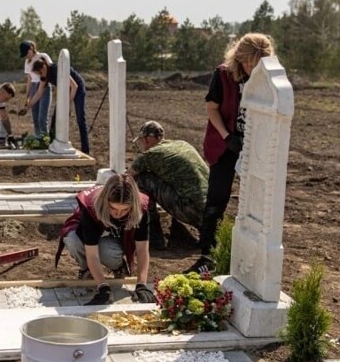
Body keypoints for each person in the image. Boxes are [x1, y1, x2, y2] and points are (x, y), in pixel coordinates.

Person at [187, 33, 275, 273]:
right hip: (225, 143)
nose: (250, 68)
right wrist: (228, 137)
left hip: (255, 146)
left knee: (256, 200)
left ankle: (248, 255)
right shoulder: (223, 75)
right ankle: (207, 253)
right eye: (246, 62)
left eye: (255, 64)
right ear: (238, 58)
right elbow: (212, 109)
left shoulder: (269, 79)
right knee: (217, 200)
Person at [55, 174, 157, 306]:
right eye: (113, 208)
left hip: (112, 237)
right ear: (105, 201)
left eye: (125, 209)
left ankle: (118, 267)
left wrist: (141, 284)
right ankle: (87, 270)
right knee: (73, 241)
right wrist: (103, 287)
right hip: (84, 234)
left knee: (109, 252)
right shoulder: (90, 205)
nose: (118, 214)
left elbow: (142, 249)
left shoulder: (141, 208)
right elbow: (92, 253)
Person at [128, 121, 209, 250]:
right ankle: (182, 230)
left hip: (191, 211)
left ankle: (154, 235)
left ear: (146, 139)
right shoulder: (183, 144)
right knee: (177, 182)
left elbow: (129, 177)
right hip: (211, 212)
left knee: (142, 179)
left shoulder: (151, 155)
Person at [28, 58, 90, 154]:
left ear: (44, 67)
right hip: (65, 92)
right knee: (55, 118)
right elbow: (39, 92)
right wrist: (29, 104)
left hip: (78, 90)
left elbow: (74, 86)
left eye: (40, 73)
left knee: (80, 118)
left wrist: (67, 104)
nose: (40, 76)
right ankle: (51, 145)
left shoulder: (58, 69)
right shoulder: (44, 76)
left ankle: (85, 149)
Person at [19, 40, 53, 136]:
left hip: (44, 86)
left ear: (31, 49)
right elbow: (29, 79)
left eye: (27, 53)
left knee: (42, 118)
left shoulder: (43, 56)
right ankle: (38, 140)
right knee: (35, 117)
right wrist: (27, 96)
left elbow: (50, 71)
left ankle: (45, 140)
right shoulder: (27, 62)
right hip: (34, 87)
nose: (26, 56)